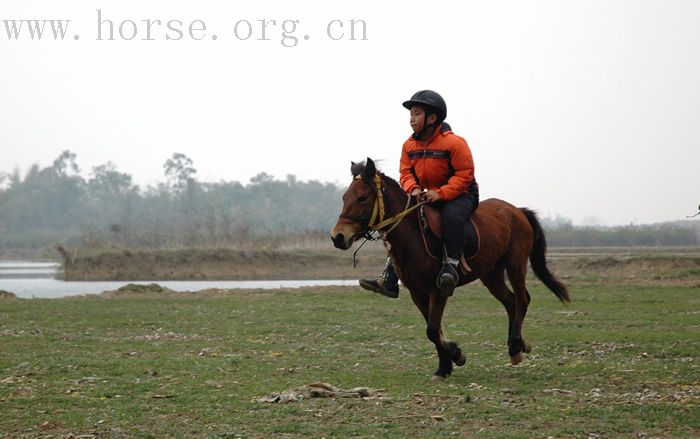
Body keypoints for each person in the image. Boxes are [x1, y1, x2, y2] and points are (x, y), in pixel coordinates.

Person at [359, 90, 479, 297]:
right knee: (404, 222)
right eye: (410, 115)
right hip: (426, 194)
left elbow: (464, 175)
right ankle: (390, 277)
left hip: (462, 194)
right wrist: (413, 188)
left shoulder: (455, 143)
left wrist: (440, 194)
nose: (411, 119)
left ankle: (451, 266)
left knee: (451, 217)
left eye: (416, 114)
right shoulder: (408, 145)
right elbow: (405, 172)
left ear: (432, 118)